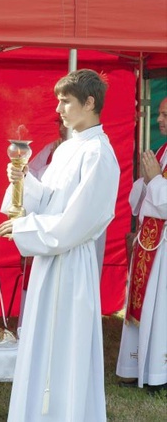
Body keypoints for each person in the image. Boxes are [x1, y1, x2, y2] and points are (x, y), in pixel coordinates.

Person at [0, 69, 118, 421]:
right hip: (50, 262)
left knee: (66, 347)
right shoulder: (69, 148)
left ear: (90, 102)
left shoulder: (99, 153)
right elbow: (51, 198)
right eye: (58, 101)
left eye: (66, 101)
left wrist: (24, 227)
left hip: (71, 263)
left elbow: (79, 221)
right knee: (42, 344)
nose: (59, 108)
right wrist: (24, 182)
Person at [116, 97, 167, 394]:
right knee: (146, 306)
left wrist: (154, 181)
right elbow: (140, 198)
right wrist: (147, 180)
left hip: (163, 246)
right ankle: (138, 367)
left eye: (164, 115)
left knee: (160, 310)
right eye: (159, 114)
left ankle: (159, 372)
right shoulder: (161, 150)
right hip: (151, 242)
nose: (159, 120)